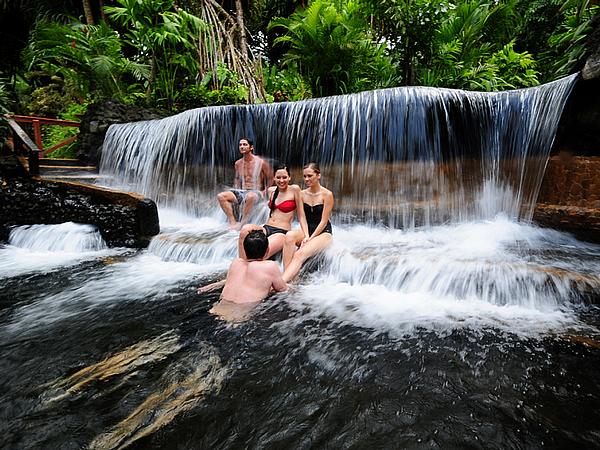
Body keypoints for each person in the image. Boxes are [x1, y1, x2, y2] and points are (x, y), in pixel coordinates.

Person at [238, 164, 308, 260]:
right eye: (278, 177)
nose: (281, 180)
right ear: (274, 178)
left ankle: (251, 267)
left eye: (284, 177)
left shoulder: (294, 190)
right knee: (244, 230)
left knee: (261, 252)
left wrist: (306, 235)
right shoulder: (271, 190)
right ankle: (242, 263)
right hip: (266, 228)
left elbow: (301, 215)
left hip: (281, 232)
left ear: (289, 178)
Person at [198, 230, 287, 305]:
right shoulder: (269, 266)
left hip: (218, 308)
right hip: (242, 314)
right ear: (267, 250)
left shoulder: (235, 263)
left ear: (244, 249)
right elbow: (282, 289)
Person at [282, 162, 334, 282]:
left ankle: (281, 283)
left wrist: (310, 238)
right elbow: (302, 217)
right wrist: (306, 236)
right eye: (304, 176)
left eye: (310, 176)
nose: (306, 179)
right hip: (307, 230)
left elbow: (323, 221)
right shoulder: (302, 194)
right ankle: (290, 277)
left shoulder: (327, 194)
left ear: (318, 175)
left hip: (323, 232)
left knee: (299, 254)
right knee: (289, 236)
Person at [217, 138, 273, 230]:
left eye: (244, 145)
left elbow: (271, 178)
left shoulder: (261, 162)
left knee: (250, 196)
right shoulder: (238, 163)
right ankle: (233, 222)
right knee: (221, 196)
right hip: (241, 191)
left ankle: (243, 223)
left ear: (251, 147)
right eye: (240, 145)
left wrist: (265, 191)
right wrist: (235, 189)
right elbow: (237, 178)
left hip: (255, 192)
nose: (242, 147)